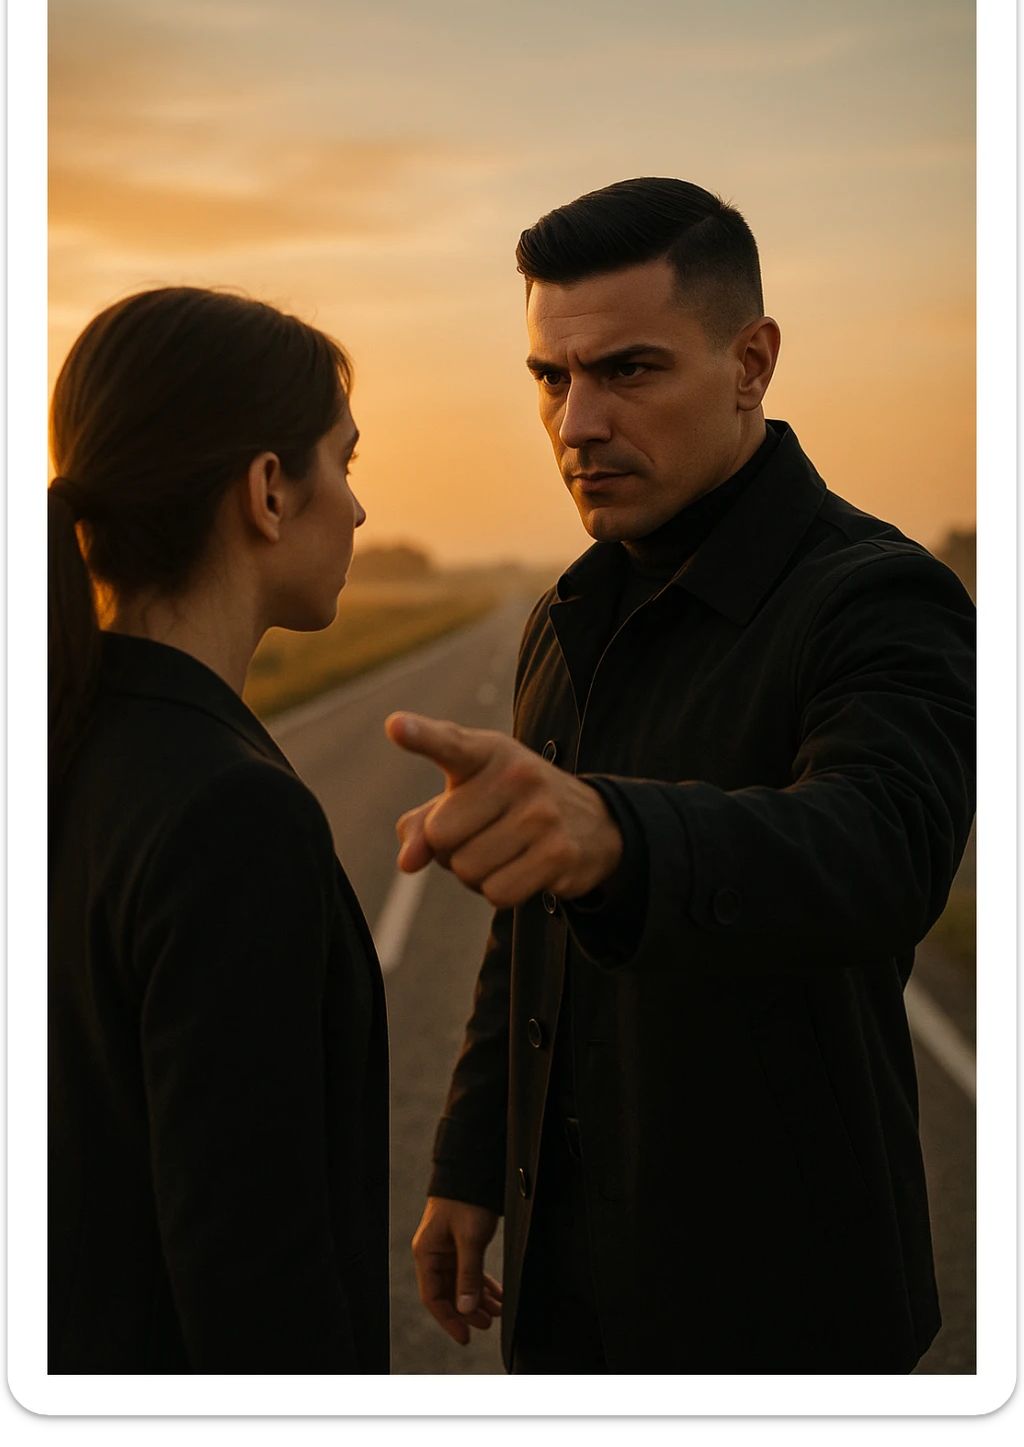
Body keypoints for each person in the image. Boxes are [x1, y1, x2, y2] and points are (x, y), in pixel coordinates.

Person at [385, 178, 976, 1374]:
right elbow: (530, 919)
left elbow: (881, 849)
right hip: (567, 1293)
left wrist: (618, 836)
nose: (575, 424)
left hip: (783, 1311)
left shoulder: (876, 594)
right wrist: (468, 1163)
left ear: (750, 363)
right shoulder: (565, 613)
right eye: (550, 377)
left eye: (628, 371)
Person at [48, 287, 390, 1374]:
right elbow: (258, 1289)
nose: (359, 510)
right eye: (346, 461)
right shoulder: (231, 813)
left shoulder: (68, 744)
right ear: (268, 491)